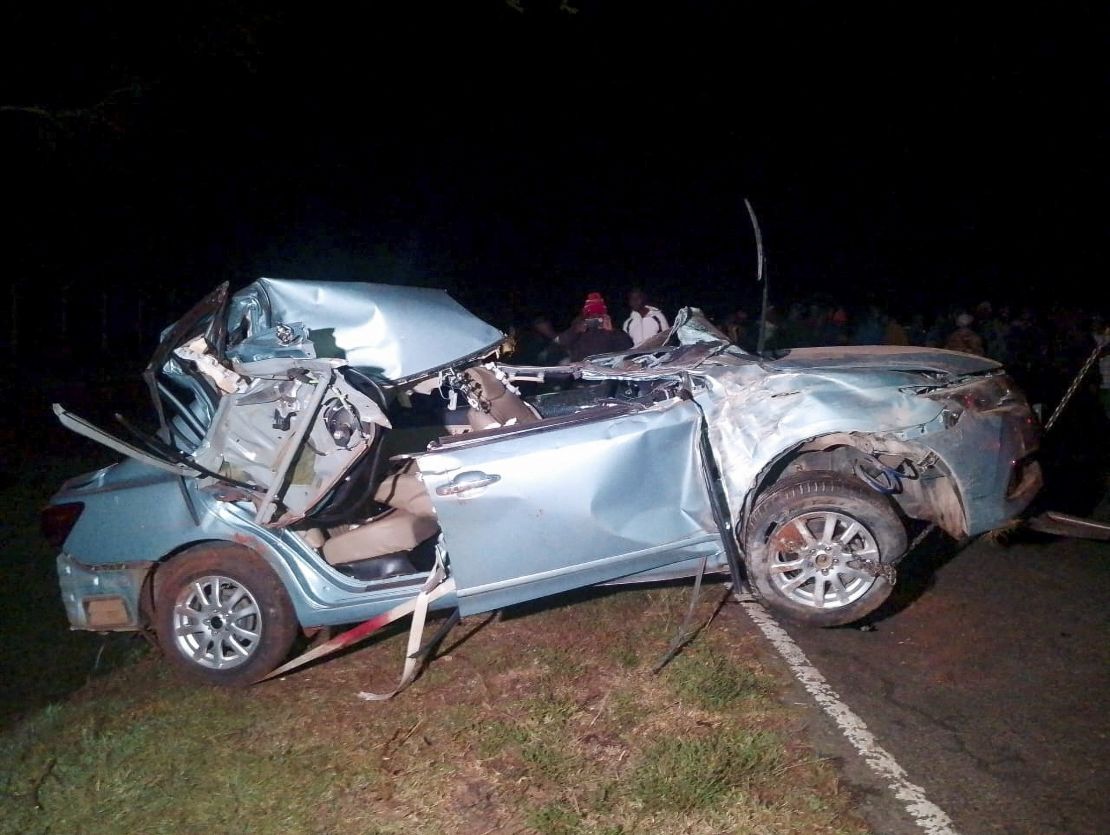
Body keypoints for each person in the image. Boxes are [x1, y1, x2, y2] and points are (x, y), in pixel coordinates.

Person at [557, 292, 633, 362]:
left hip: (603, 371)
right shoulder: (577, 328)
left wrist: (611, 331)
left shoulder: (612, 332)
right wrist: (574, 331)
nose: (595, 316)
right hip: (581, 371)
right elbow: (559, 344)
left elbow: (628, 347)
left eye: (598, 314)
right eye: (591, 314)